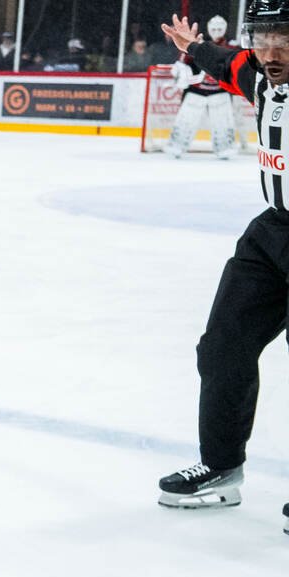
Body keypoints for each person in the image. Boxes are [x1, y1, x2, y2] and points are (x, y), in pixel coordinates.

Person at [157, 3, 289, 517]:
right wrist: (192, 48)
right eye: (264, 38)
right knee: (222, 348)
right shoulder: (256, 75)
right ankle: (222, 467)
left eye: (285, 39)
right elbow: (224, 61)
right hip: (273, 231)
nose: (272, 52)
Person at [167, 15, 240, 159]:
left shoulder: (232, 47)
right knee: (186, 119)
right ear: (208, 28)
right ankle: (176, 145)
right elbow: (182, 63)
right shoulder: (200, 44)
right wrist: (182, 73)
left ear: (225, 29)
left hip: (220, 91)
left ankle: (225, 148)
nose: (216, 31)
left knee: (223, 122)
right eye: (213, 28)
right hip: (197, 90)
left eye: (220, 28)